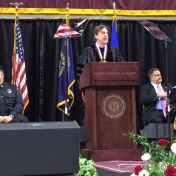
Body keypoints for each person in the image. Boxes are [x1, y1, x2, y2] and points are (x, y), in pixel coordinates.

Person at [76, 24, 125, 125]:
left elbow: (123, 69)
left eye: (107, 33)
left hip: (113, 92)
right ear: (96, 36)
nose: (106, 35)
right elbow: (81, 73)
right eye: (103, 33)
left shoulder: (114, 51)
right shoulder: (88, 51)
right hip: (93, 92)